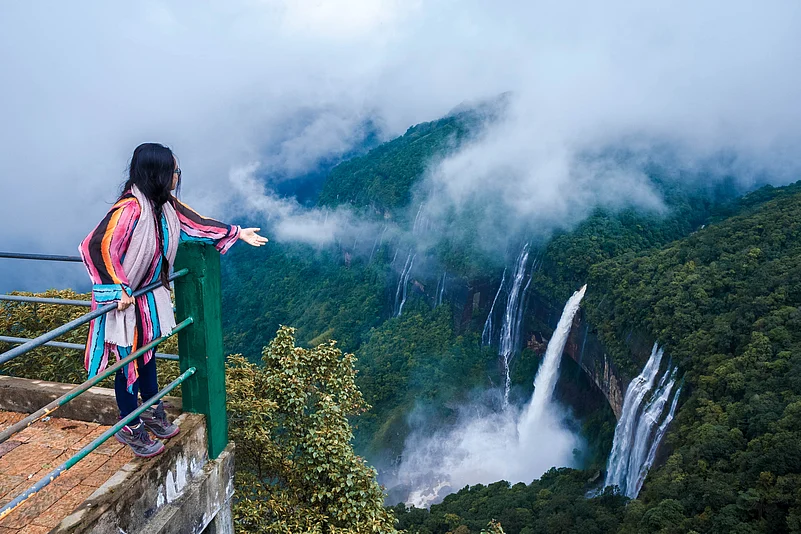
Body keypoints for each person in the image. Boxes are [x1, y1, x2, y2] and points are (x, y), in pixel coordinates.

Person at [79, 143, 267, 458]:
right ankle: (129, 426)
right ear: (159, 174)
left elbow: (195, 225)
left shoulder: (163, 205)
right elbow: (94, 246)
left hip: (147, 297)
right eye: (174, 171)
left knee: (146, 356)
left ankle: (152, 409)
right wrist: (117, 288)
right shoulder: (129, 209)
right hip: (126, 301)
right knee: (127, 365)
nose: (177, 177)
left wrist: (235, 232)